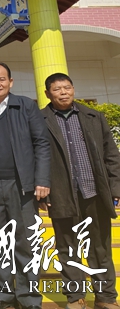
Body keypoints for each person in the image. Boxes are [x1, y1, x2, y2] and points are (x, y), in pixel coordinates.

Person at [42, 73, 120, 309]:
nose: (63, 92)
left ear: (73, 89)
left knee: (100, 247)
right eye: (57, 89)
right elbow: (36, 158)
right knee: (67, 247)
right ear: (48, 94)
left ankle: (106, 297)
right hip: (62, 194)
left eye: (67, 87)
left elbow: (111, 155)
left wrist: (115, 187)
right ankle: (75, 297)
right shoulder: (39, 120)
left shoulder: (93, 117)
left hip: (94, 192)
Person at [0, 62, 50, 309]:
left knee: (25, 241)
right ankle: (4, 295)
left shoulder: (26, 106)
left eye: (1, 79)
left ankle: (28, 297)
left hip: (22, 185)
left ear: (10, 82)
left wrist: (42, 180)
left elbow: (42, 143)